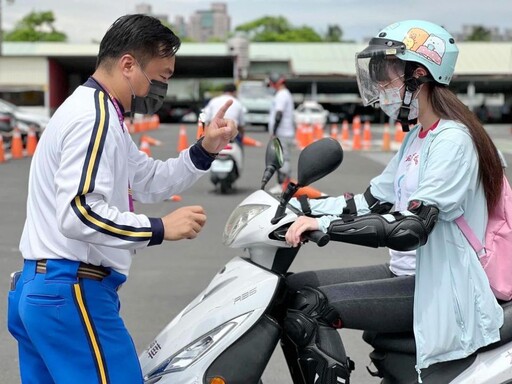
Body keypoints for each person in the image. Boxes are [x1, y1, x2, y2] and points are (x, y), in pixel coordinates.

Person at [7, 14, 237, 384]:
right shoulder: (93, 118)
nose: (159, 90)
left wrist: (206, 148)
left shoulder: (100, 114)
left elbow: (149, 180)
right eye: (158, 77)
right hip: (72, 292)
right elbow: (79, 212)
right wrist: (160, 228)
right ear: (128, 64)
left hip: (45, 291)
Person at [282, 20, 504, 383]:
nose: (381, 90)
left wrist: (323, 227)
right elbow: (370, 202)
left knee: (310, 307)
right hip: (406, 273)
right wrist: (297, 207)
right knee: (289, 288)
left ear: (419, 75)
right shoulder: (417, 137)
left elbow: (409, 228)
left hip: (440, 283)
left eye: (386, 79)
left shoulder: (453, 141)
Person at [267, 72, 295, 193]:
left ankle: (281, 184)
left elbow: (279, 114)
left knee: (281, 159)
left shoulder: (281, 95)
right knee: (283, 158)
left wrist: (274, 131)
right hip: (285, 131)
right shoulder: (285, 94)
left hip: (282, 132)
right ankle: (285, 183)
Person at [203, 82, 245, 146]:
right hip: (231, 136)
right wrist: (242, 136)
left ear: (223, 91)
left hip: (214, 133)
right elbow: (241, 125)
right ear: (234, 92)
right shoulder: (238, 103)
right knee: (239, 143)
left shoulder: (213, 101)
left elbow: (205, 118)